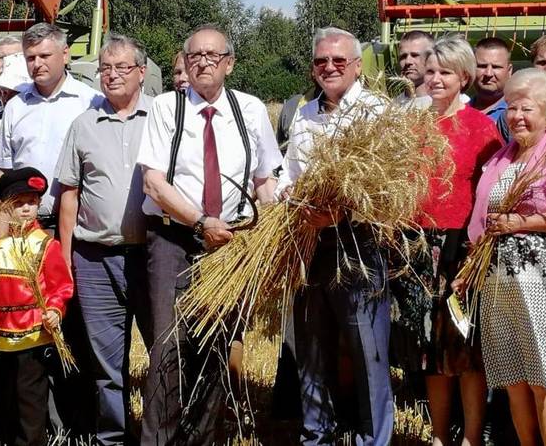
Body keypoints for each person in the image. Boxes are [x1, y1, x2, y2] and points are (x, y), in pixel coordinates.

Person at [137, 24, 281, 445]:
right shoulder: (167, 107)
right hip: (175, 240)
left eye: (212, 56)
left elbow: (264, 181)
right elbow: (154, 184)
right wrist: (200, 222)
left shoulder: (251, 110)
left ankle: (201, 438)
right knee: (168, 349)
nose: (203, 62)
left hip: (231, 248)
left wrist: (269, 231)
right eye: (195, 55)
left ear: (229, 64)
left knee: (217, 349)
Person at [276, 27, 392, 446]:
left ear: (358, 66)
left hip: (358, 243)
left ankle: (372, 438)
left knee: (367, 350)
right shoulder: (304, 116)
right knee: (311, 346)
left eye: (339, 61)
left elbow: (386, 187)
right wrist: (292, 200)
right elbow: (287, 178)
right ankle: (316, 434)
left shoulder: (377, 113)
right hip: (307, 242)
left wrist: (338, 212)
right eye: (321, 61)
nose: (329, 67)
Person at [464, 68, 546, 446]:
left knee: (543, 379)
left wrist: (522, 222)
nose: (517, 116)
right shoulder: (503, 157)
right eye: (512, 108)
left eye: (527, 109)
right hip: (498, 282)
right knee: (514, 381)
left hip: (538, 281)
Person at [391, 35, 502, 446]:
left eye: (444, 72)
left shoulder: (482, 128)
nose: (434, 79)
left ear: (464, 77)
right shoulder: (411, 125)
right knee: (429, 350)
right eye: (431, 70)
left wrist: (477, 250)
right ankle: (438, 436)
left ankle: (471, 437)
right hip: (417, 243)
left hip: (463, 248)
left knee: (465, 348)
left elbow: (491, 191)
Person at [56, 33, 153, 444]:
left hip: (154, 259)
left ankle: (161, 434)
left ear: (142, 73)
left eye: (121, 68)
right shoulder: (83, 125)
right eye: (104, 68)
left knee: (165, 353)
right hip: (94, 259)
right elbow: (69, 195)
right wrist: (63, 261)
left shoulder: (164, 117)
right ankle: (112, 437)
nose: (111, 75)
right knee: (106, 364)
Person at [0, 168, 74, 446]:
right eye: (18, 203)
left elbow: (61, 286)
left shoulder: (46, 245)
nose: (25, 209)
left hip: (34, 338)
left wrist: (55, 310)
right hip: (4, 340)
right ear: (6, 207)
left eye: (31, 203)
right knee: (6, 403)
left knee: (30, 404)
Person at [0, 22, 102, 231]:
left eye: (44, 56)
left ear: (65, 55)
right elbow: (3, 172)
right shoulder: (15, 107)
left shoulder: (91, 103)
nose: (37, 64)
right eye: (30, 58)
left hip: (75, 227)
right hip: (22, 226)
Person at [471, 37, 513, 122]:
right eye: (482, 66)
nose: (488, 73)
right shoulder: (457, 113)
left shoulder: (517, 115)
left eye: (496, 67)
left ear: (509, 71)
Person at [397, 30, 434, 97]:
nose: (408, 61)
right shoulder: (393, 105)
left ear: (430, 58)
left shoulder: (446, 104)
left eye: (415, 55)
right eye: (403, 56)